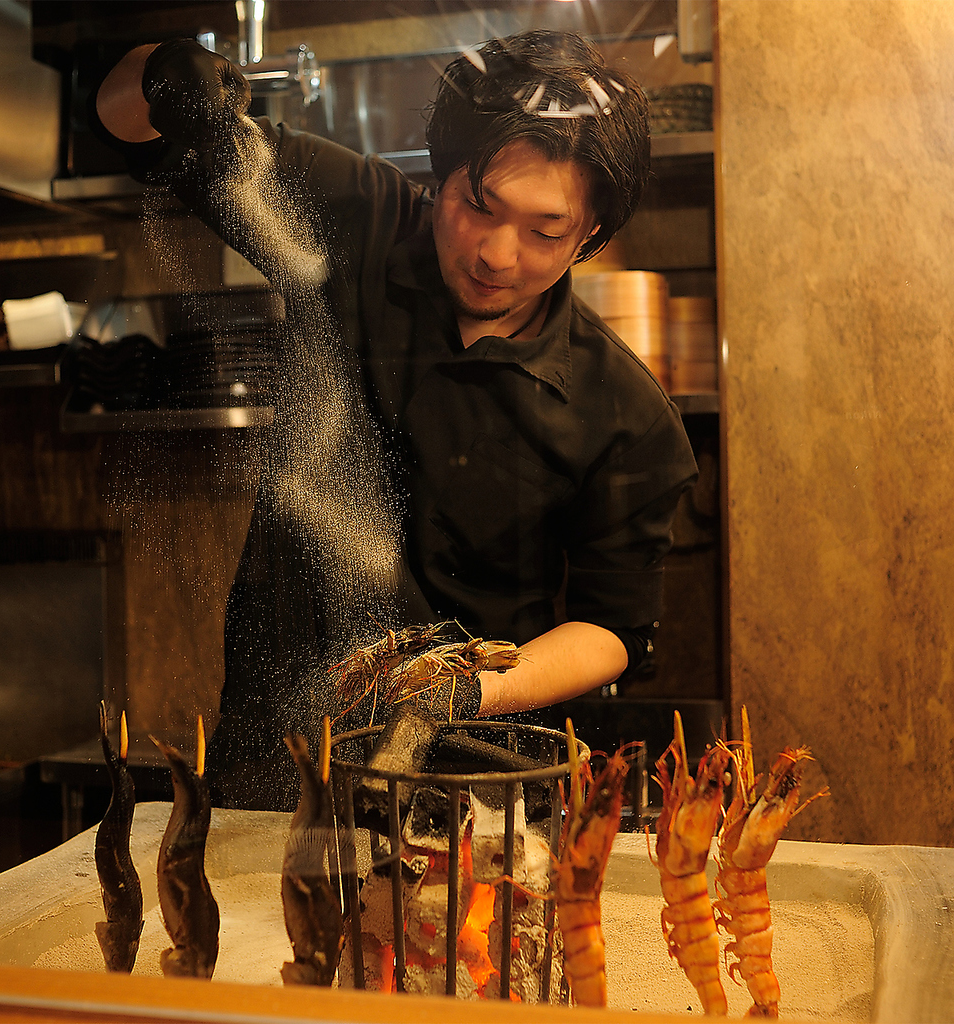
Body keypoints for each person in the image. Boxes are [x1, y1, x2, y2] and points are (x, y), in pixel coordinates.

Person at [94, 30, 698, 809]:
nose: (496, 254)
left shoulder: (627, 415)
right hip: (280, 755)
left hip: (471, 780)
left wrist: (459, 693)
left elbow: (612, 629)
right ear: (440, 173)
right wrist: (165, 74)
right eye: (477, 203)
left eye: (546, 231)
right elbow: (124, 122)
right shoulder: (359, 223)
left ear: (590, 234)